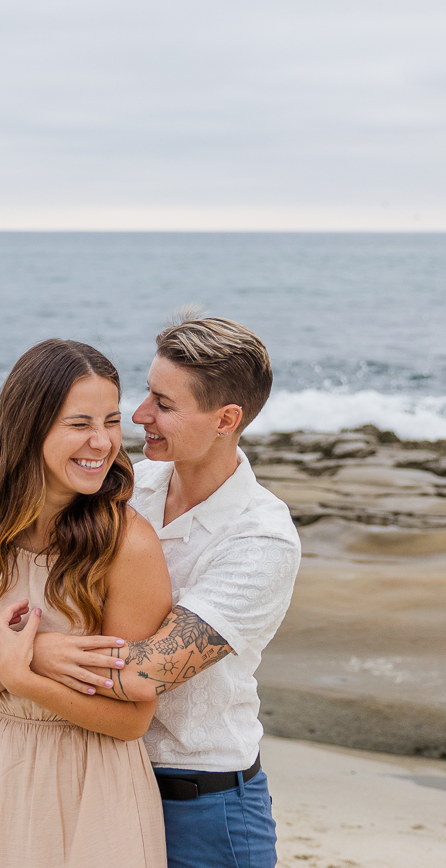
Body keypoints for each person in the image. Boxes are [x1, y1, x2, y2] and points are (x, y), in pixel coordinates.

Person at [32, 313, 302, 868]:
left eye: (163, 403)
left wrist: (25, 653)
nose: (139, 416)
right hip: (101, 771)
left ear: (227, 418)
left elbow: (139, 674)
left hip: (203, 804)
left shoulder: (261, 540)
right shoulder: (131, 489)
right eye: (147, 392)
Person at [0, 338, 173, 868]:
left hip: (93, 778)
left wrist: (23, 671)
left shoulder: (128, 542)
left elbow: (131, 721)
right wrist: (32, 653)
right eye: (79, 424)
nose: (102, 443)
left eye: (112, 421)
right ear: (29, 425)